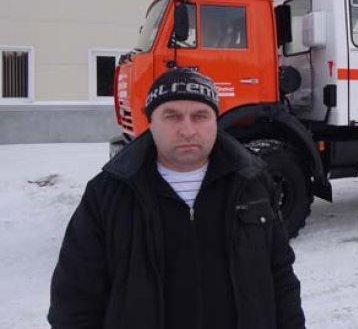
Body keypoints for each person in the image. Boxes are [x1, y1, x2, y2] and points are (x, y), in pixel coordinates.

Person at [48, 68, 305, 329]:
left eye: (200, 116)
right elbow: (74, 302)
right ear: (150, 122)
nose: (187, 130)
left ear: (215, 121)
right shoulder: (108, 194)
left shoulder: (253, 183)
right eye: (171, 116)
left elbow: (281, 278)